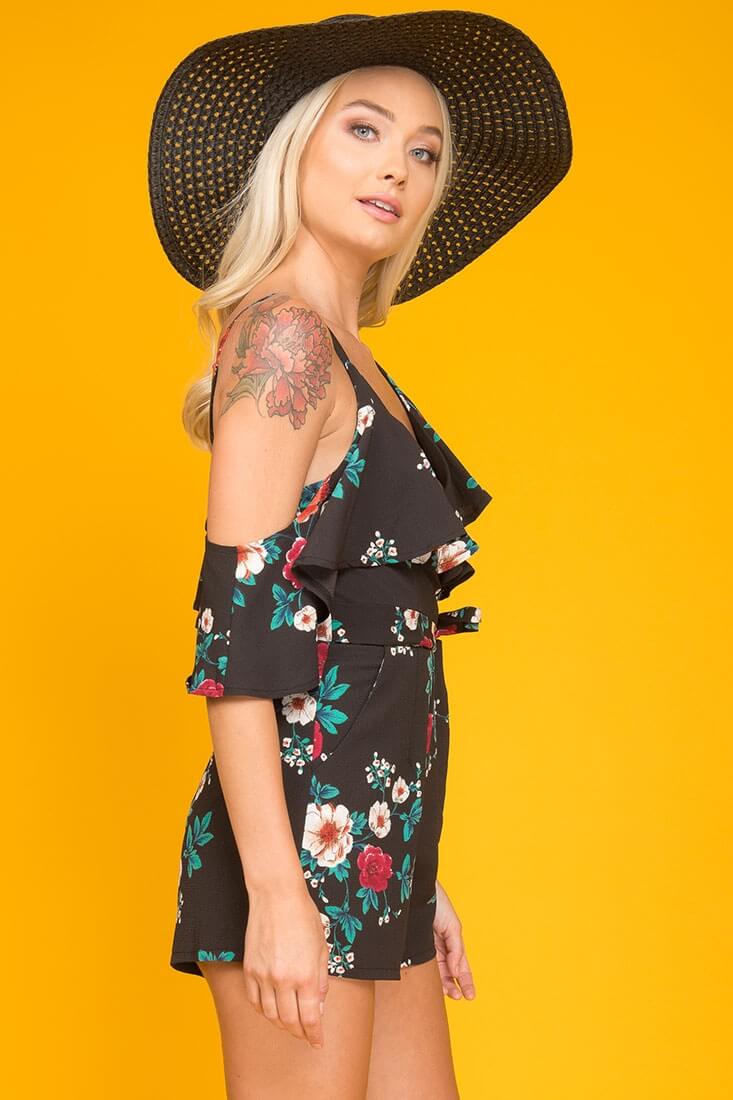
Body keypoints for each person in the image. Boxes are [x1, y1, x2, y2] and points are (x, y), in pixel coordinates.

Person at [147, 11, 572, 1097]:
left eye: (424, 151)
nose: (397, 168)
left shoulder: (349, 353)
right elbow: (240, 628)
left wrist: (415, 865)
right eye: (365, 130)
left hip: (374, 839)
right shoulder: (285, 336)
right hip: (297, 847)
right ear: (294, 146)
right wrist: (276, 889)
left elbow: (373, 650)